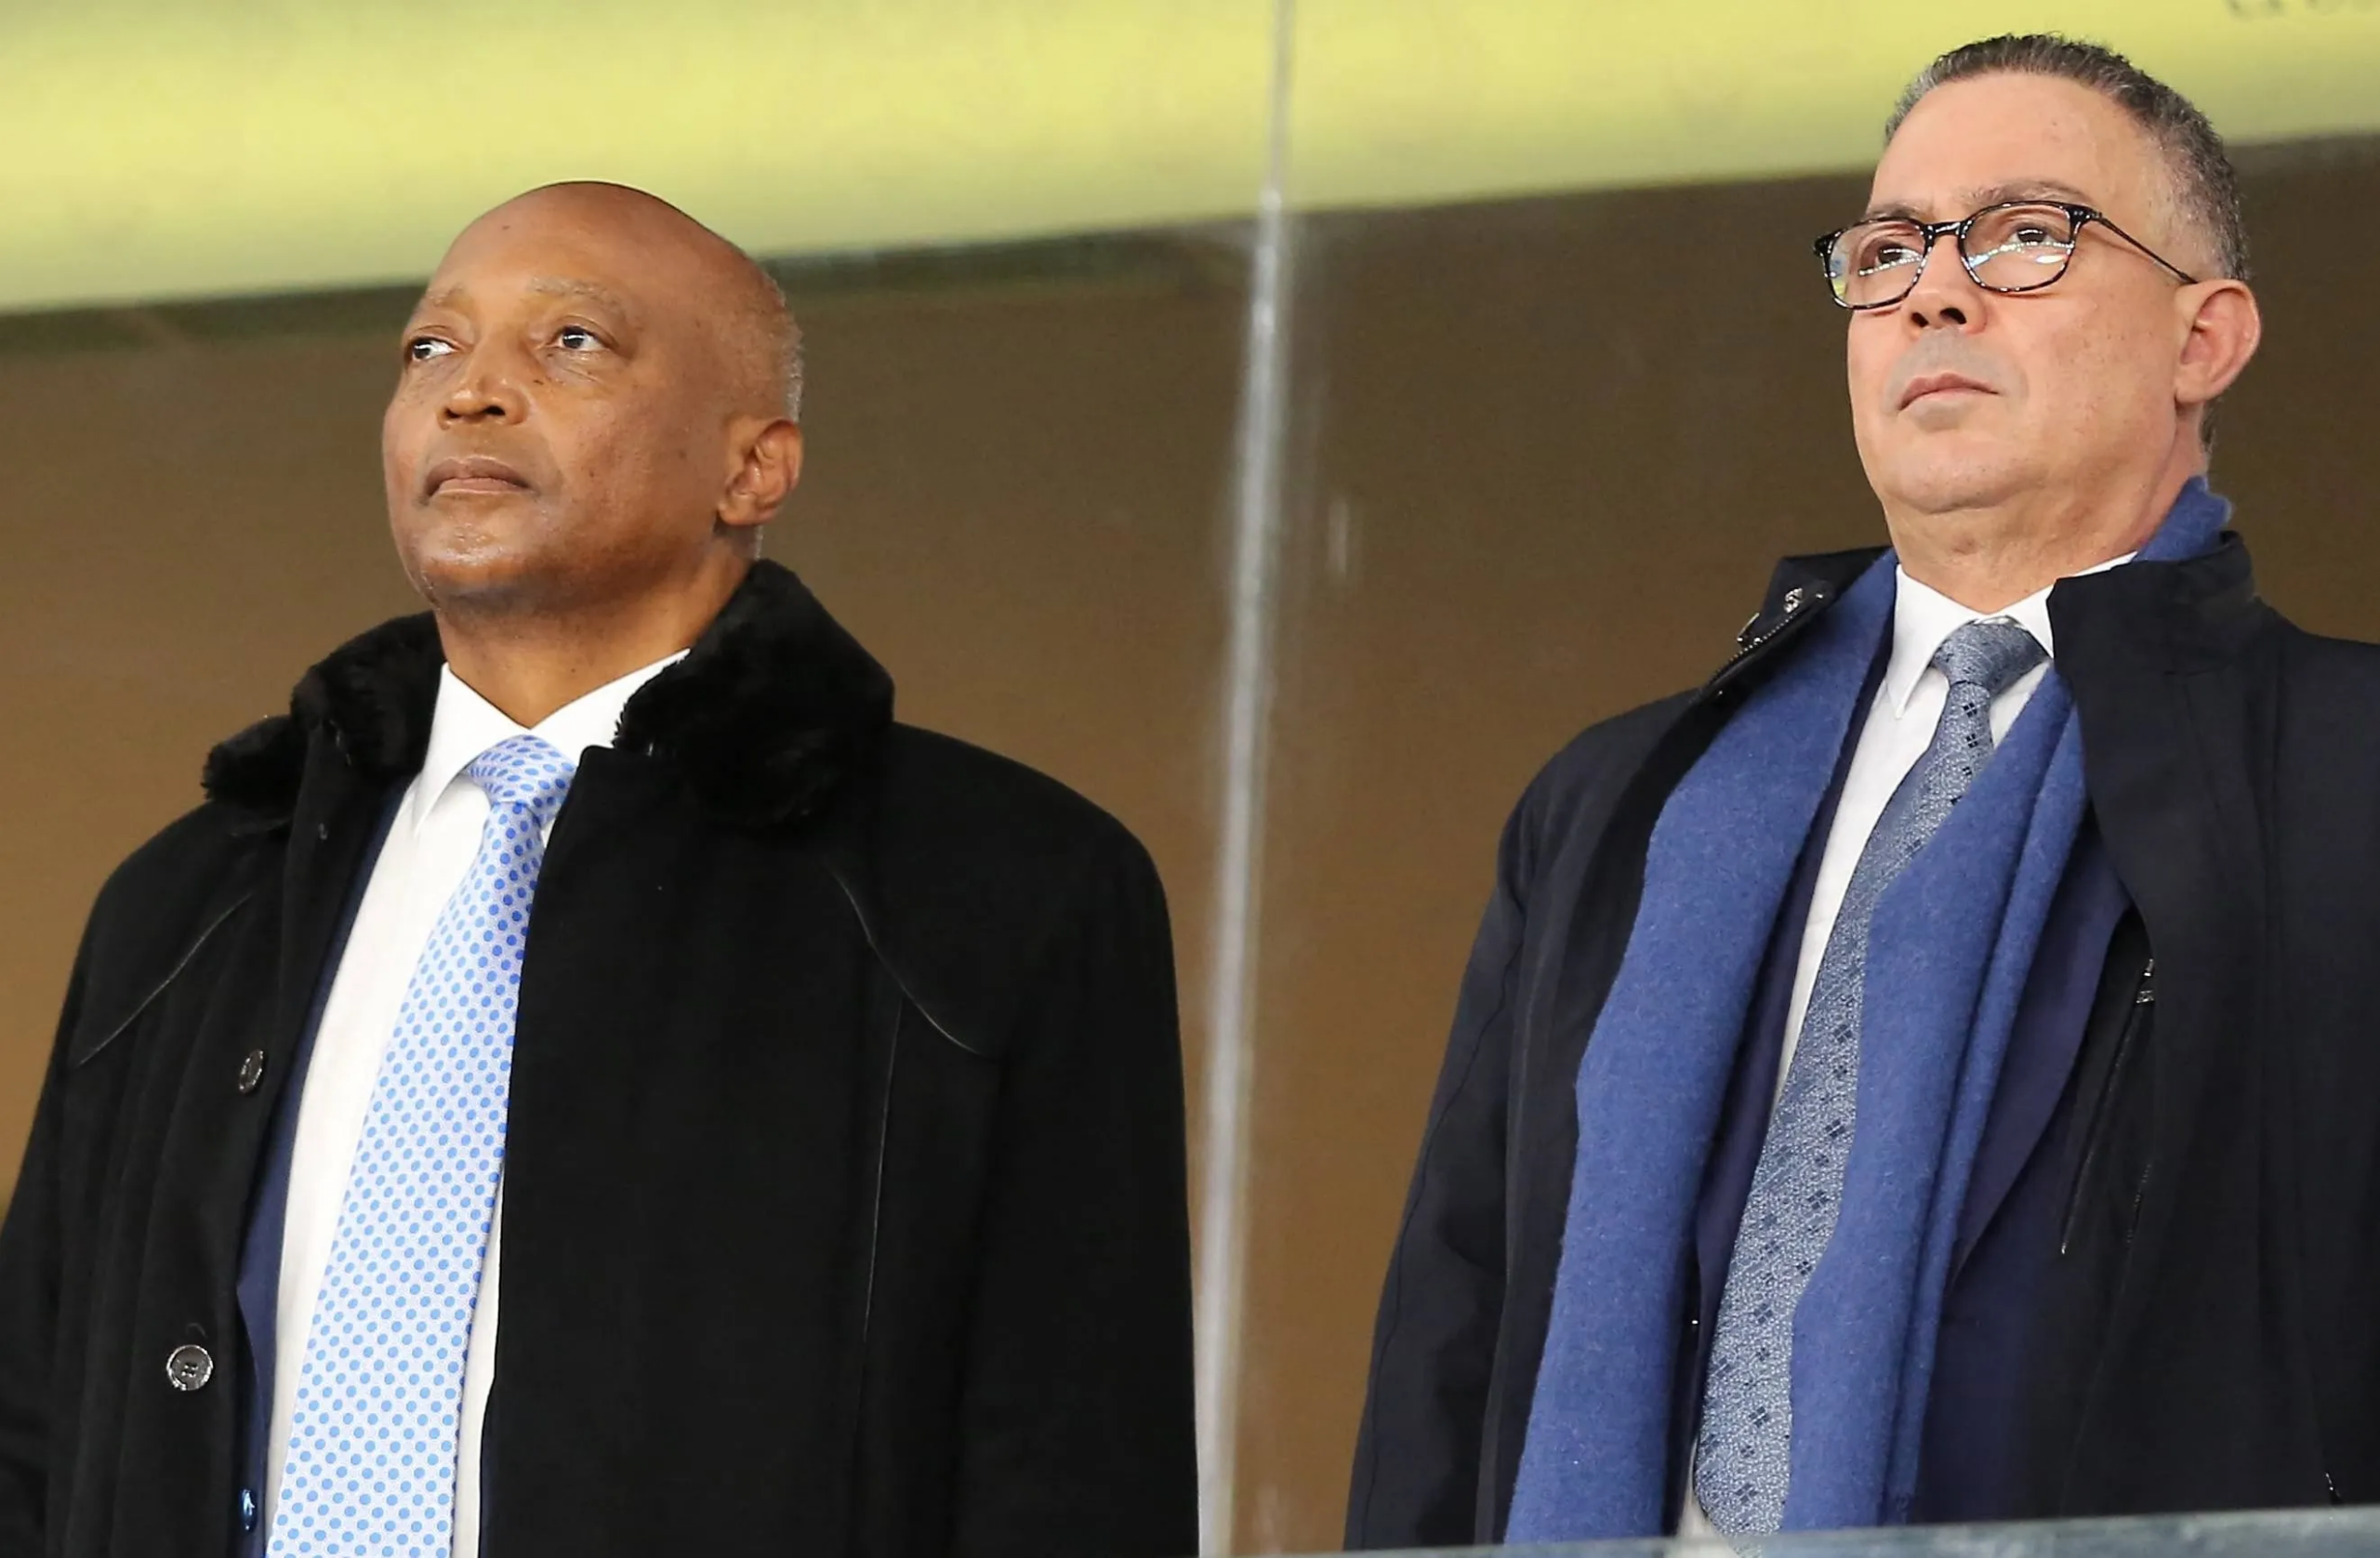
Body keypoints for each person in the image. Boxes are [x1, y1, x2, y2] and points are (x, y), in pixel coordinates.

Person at [0, 181, 1197, 1558]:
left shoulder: (997, 889)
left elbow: (1076, 1462)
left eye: (572, 342)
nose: (470, 393)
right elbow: (35, 1428)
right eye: (430, 349)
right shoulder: (193, 899)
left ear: (755, 468)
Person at [1349, 33, 2377, 1545]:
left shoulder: (2345, 770)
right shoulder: (1627, 798)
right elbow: (1457, 1326)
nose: (1933, 293)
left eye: (2027, 236)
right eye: (1889, 251)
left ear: (2203, 339)